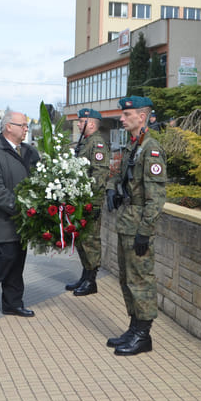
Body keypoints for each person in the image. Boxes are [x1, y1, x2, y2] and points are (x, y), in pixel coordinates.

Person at [104, 96, 167, 356]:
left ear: (141, 117)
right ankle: (134, 327)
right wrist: (113, 190)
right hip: (127, 221)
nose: (121, 118)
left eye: (127, 114)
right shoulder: (134, 146)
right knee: (127, 279)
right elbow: (119, 175)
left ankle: (143, 335)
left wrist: (145, 231)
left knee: (141, 280)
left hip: (138, 224)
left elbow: (156, 197)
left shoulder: (151, 149)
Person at [0, 112, 40, 318]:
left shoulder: (29, 152)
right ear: (8, 127)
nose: (26, 129)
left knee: (18, 258)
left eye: (26, 125)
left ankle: (12, 302)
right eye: (23, 125)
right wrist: (17, 205)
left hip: (23, 217)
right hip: (1, 216)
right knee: (7, 255)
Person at [65, 108, 111, 296]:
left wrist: (91, 203)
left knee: (90, 241)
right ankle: (85, 276)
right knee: (82, 240)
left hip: (90, 202)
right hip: (81, 201)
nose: (78, 124)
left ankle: (91, 281)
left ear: (91, 124)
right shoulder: (86, 142)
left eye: (81, 121)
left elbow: (99, 177)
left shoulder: (97, 144)